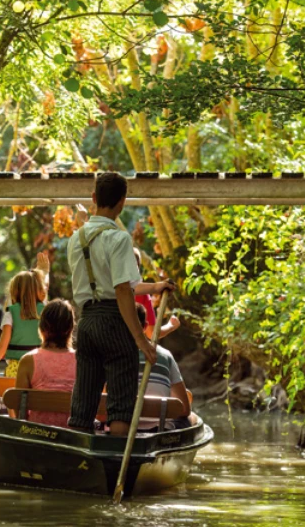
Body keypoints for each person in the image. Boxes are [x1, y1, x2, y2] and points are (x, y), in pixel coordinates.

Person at [66, 172, 175, 436]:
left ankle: (79, 461)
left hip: (87, 322)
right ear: (122, 202)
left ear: (94, 198)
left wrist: (156, 287)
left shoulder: (75, 239)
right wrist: (141, 340)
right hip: (115, 322)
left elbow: (127, 284)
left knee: (83, 402)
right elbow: (122, 290)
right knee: (121, 403)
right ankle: (116, 463)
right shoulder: (119, 239)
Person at [0, 252, 50, 377]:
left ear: (14, 291)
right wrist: (45, 273)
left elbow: (1, 348)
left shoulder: (10, 314)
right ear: (39, 290)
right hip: (40, 369)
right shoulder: (46, 312)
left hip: (17, 371)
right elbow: (45, 290)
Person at [14, 299, 77, 428]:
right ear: (71, 329)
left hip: (36, 432)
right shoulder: (82, 360)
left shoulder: (28, 360)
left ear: (42, 327)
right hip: (72, 433)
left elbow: (18, 407)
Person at [134, 303, 191, 431]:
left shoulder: (113, 356)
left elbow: (102, 414)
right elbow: (185, 409)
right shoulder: (165, 355)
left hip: (122, 431)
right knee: (190, 418)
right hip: (160, 430)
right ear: (146, 327)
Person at [133, 247, 182, 341]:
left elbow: (152, 333)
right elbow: (152, 333)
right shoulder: (142, 293)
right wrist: (171, 325)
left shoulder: (105, 285)